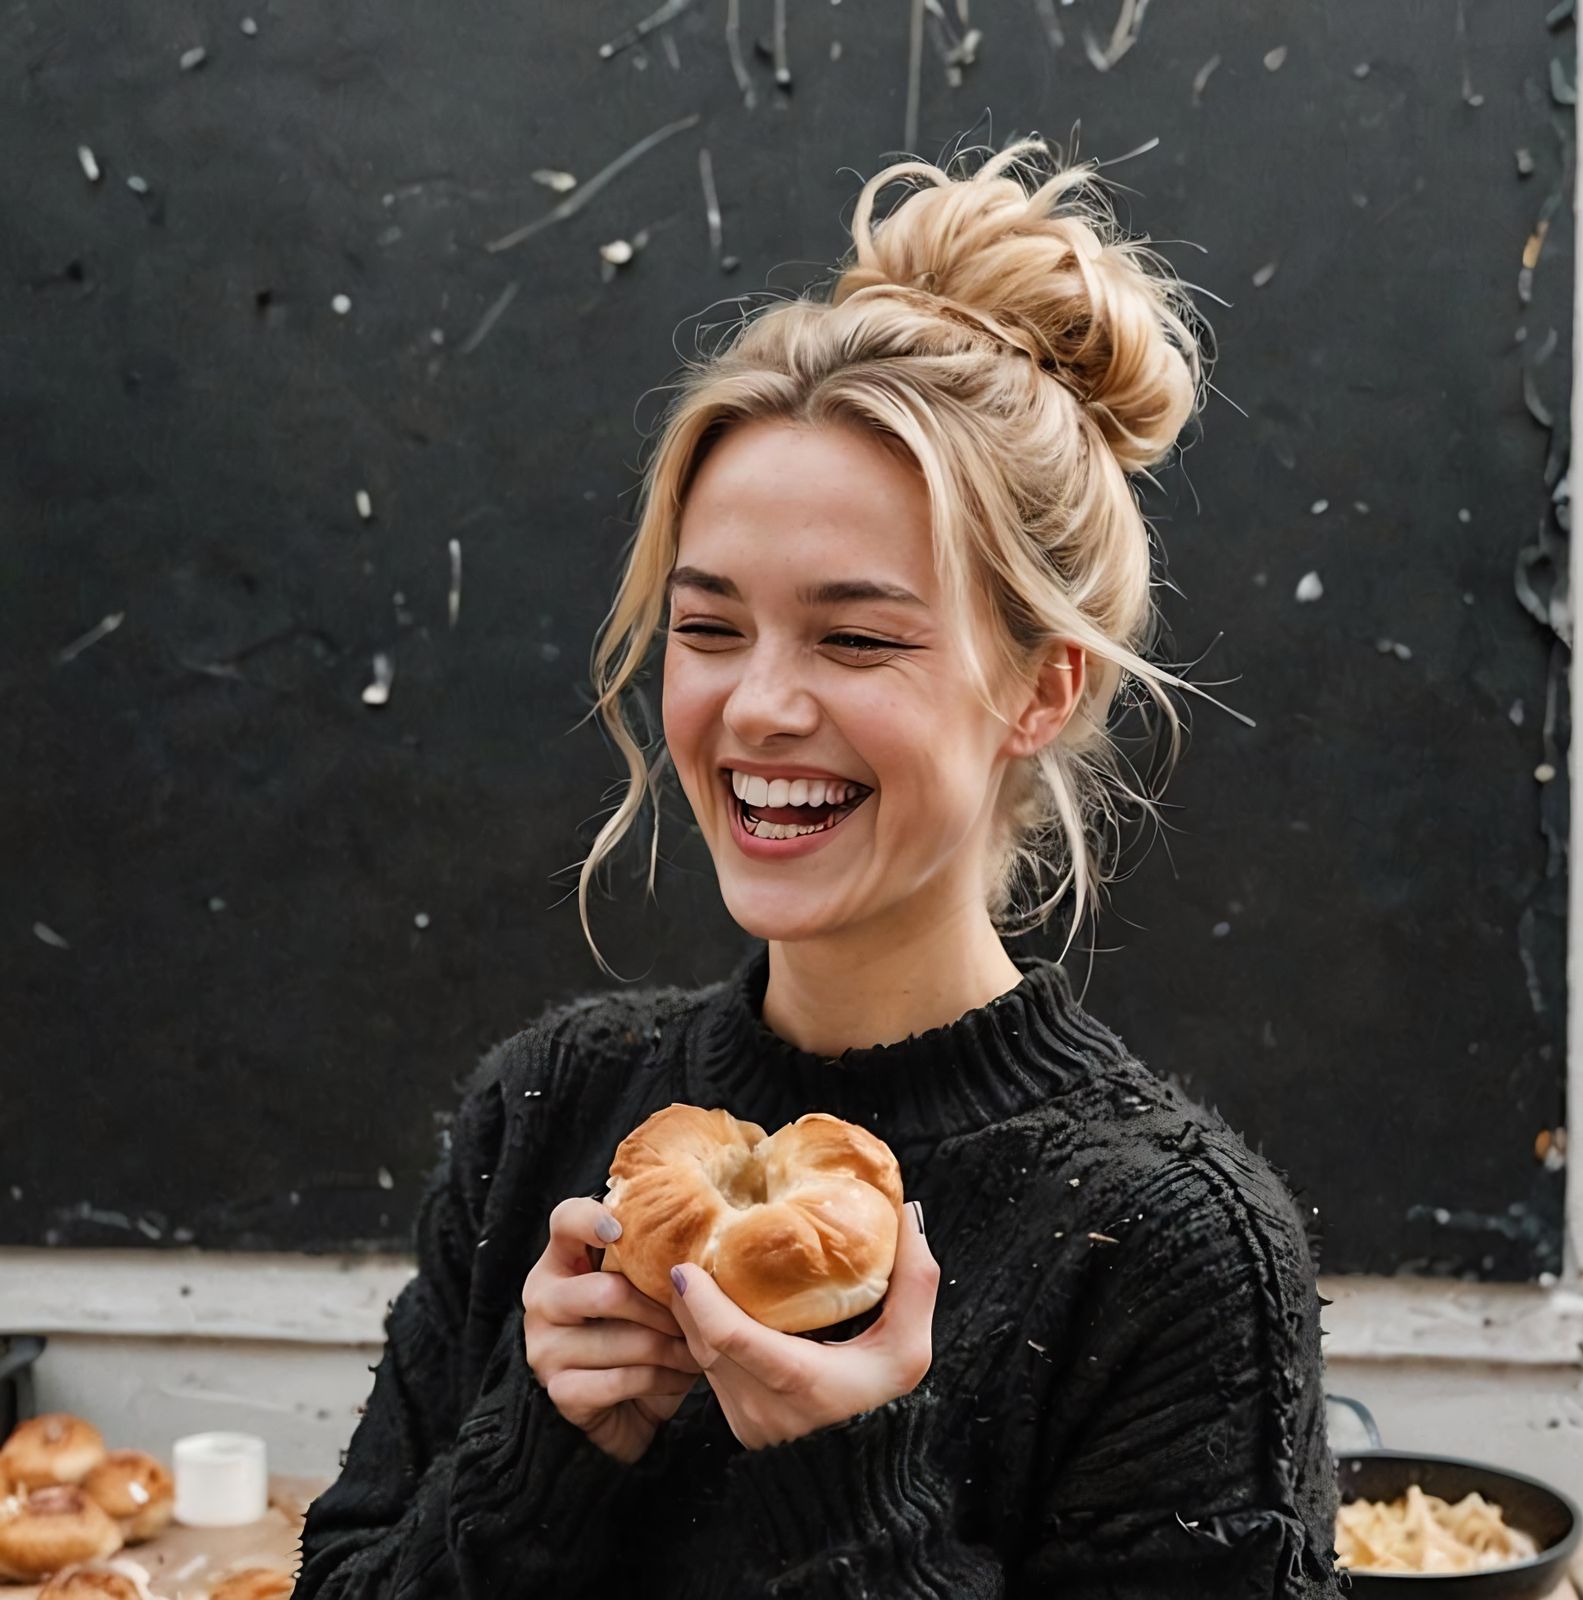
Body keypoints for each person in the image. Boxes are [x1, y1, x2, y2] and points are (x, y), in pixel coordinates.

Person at [292, 136, 1341, 1599]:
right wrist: (547, 1448)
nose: (759, 707)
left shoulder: (1170, 1245)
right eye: (711, 628)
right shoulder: (550, 1116)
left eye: (856, 638)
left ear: (1039, 689)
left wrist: (843, 1489)